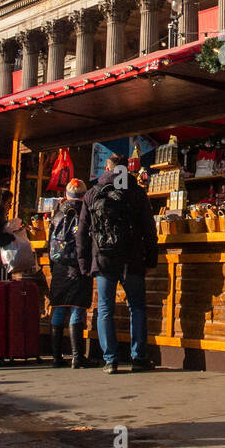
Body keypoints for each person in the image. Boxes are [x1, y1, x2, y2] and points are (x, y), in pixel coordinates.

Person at [78, 153, 159, 373]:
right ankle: (138, 357)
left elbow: (83, 231)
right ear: (127, 169)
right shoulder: (137, 193)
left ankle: (110, 360)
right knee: (137, 307)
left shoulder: (92, 194)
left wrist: (84, 263)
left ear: (107, 167)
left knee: (105, 308)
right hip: (132, 258)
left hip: (103, 259)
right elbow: (148, 229)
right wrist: (152, 258)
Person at [48, 179, 93, 368]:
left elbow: (49, 241)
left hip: (58, 265)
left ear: (67, 194)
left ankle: (56, 356)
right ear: (84, 194)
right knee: (77, 308)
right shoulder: (86, 212)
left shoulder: (57, 213)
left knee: (58, 307)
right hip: (79, 265)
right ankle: (77, 356)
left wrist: (52, 265)